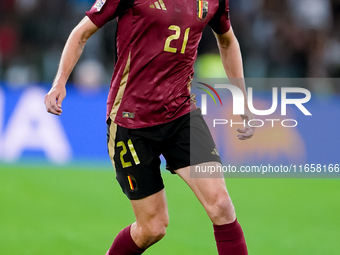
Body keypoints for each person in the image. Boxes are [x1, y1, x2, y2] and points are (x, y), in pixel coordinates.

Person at [44, 0, 255, 254]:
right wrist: (60, 82)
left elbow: (227, 40)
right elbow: (81, 33)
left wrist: (241, 97)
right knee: (152, 228)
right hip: (131, 121)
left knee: (221, 205)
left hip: (181, 114)